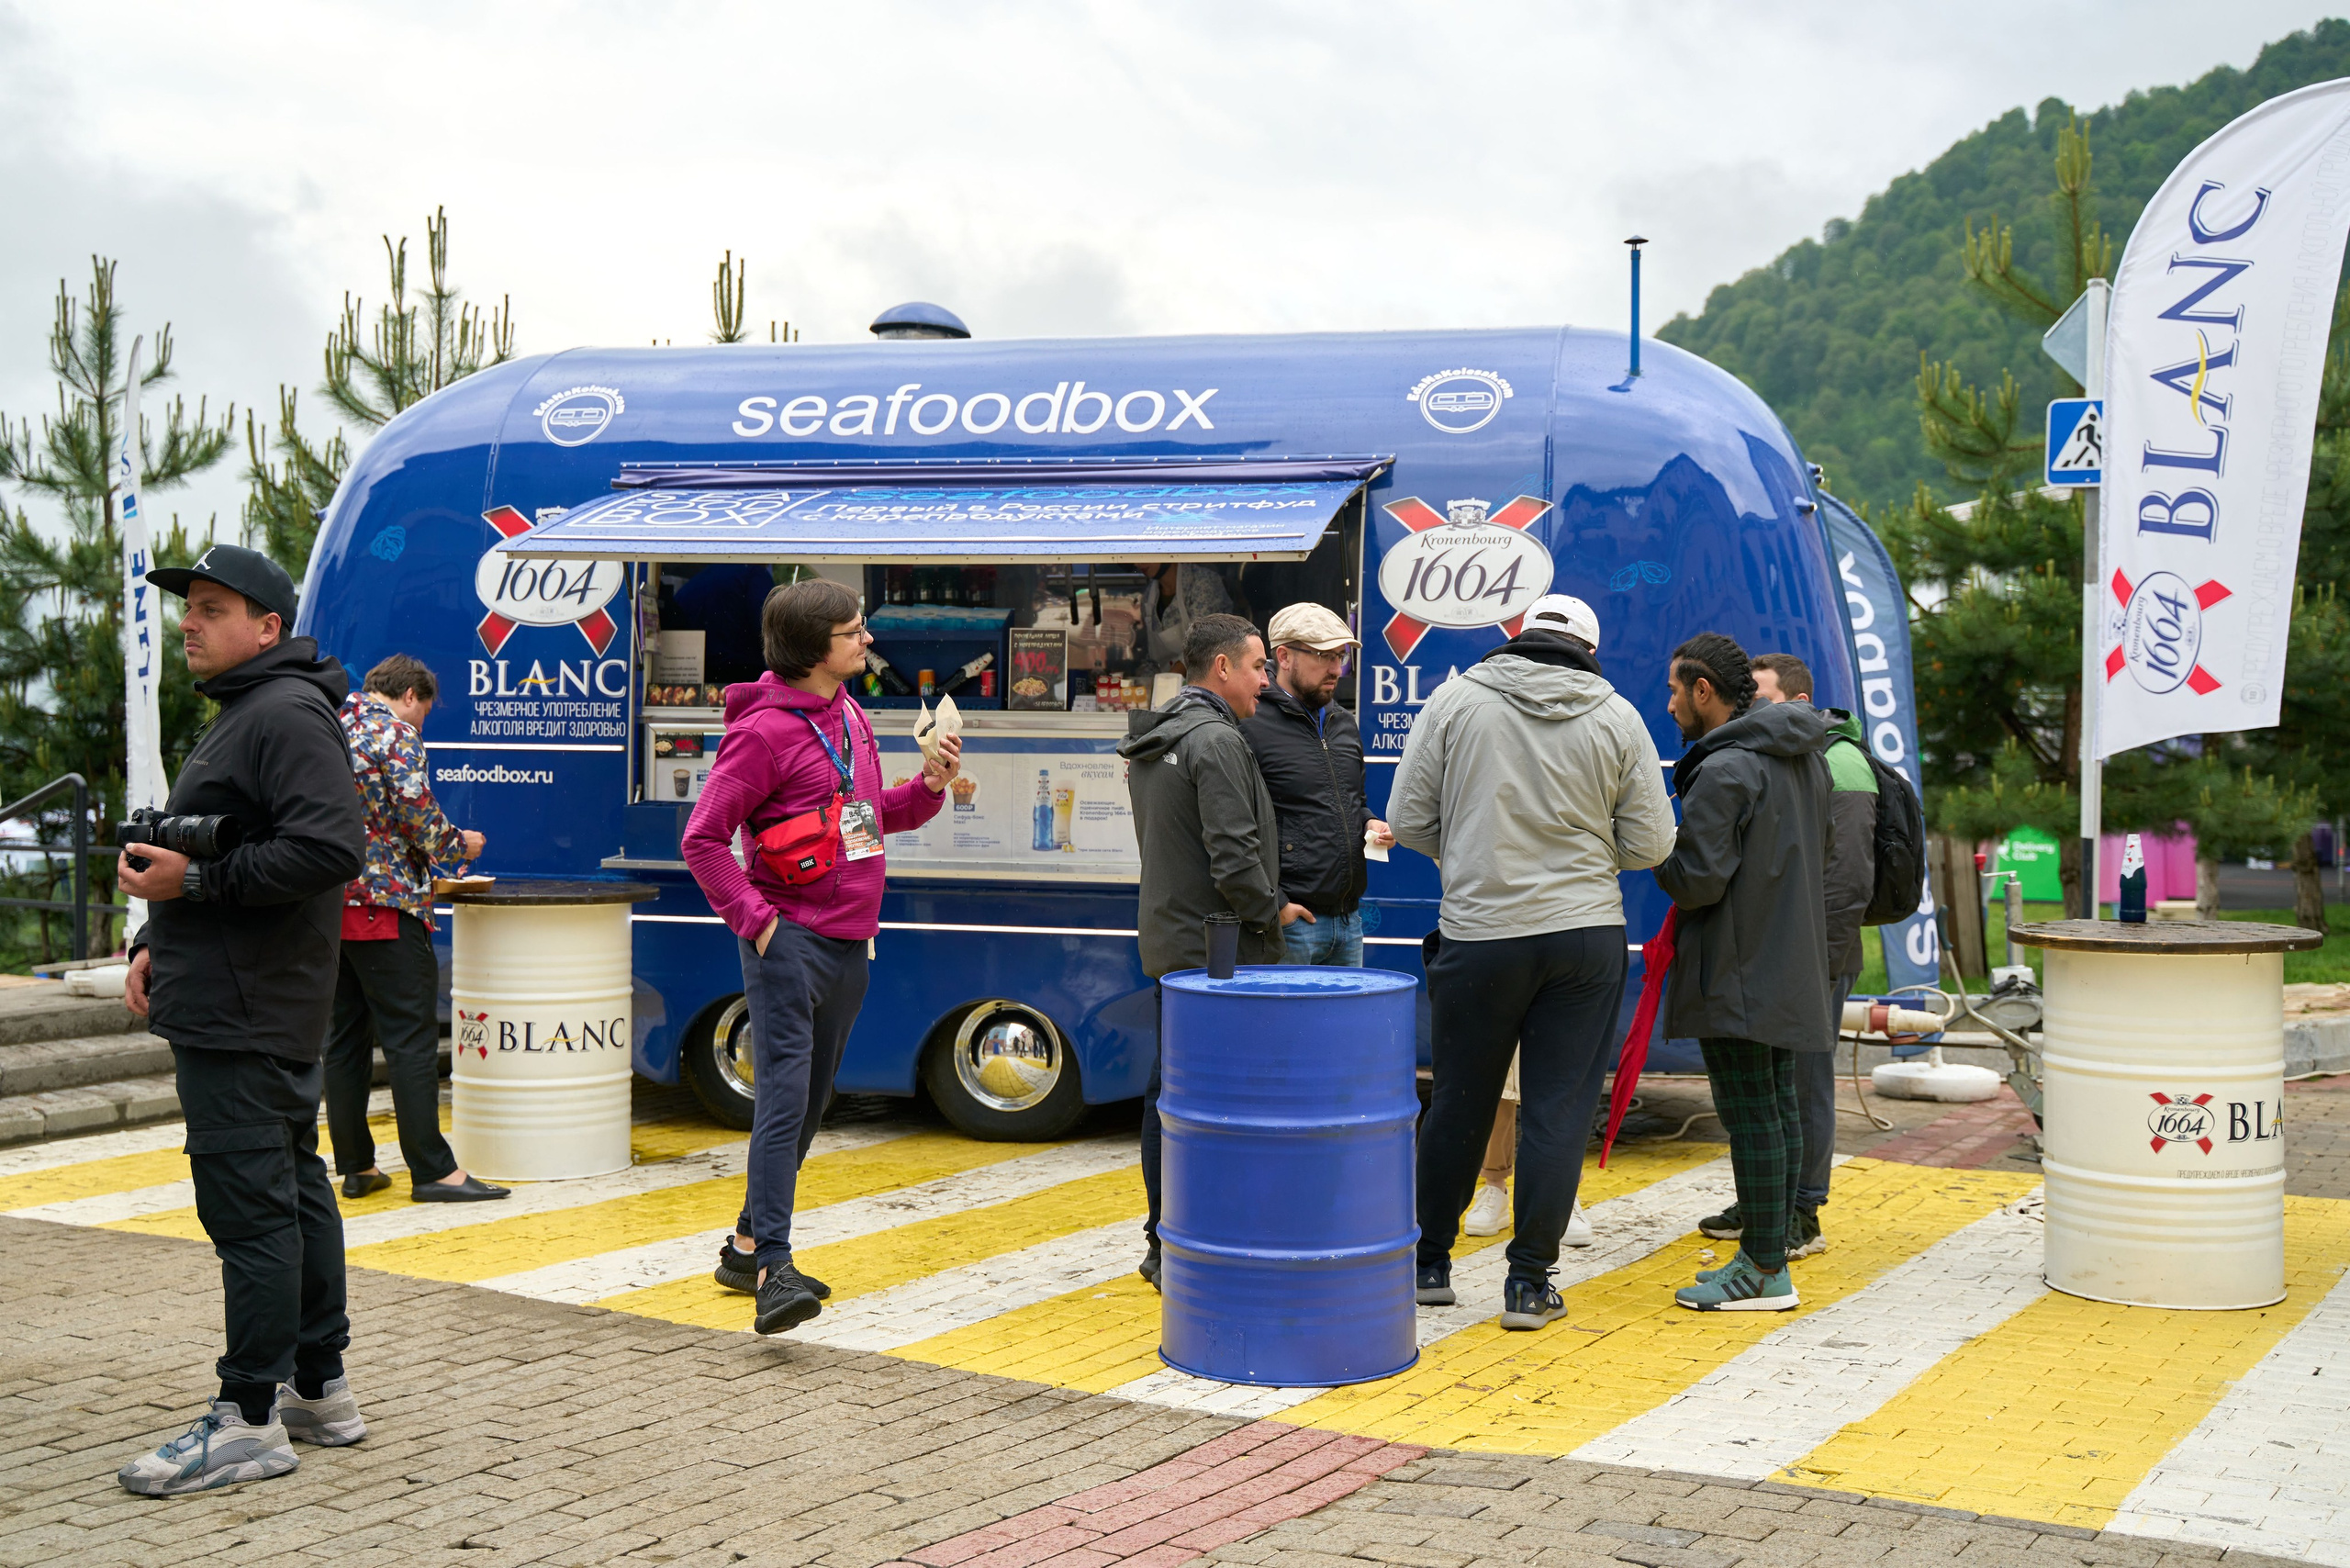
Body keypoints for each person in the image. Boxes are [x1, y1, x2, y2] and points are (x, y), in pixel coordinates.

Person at [114, 545, 369, 1495]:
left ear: (268, 626)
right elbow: (212, 849)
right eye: (189, 608)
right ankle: (317, 1383)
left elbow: (326, 846)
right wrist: (156, 932)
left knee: (249, 1208)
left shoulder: (284, 713)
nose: (190, 620)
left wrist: (202, 883)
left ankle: (248, 1419)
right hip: (243, 995)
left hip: (247, 1010)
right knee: (294, 1191)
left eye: (214, 607)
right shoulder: (255, 710)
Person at [681, 580, 959, 1336]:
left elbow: (867, 822)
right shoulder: (762, 733)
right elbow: (703, 840)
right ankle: (774, 1266)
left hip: (849, 937)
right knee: (782, 1100)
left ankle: (743, 1246)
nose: (867, 642)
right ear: (813, 649)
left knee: (809, 1101)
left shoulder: (849, 716)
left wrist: (930, 786)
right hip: (789, 940)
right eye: (853, 633)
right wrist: (759, 924)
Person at [1390, 594, 1673, 1329]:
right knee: (1558, 1109)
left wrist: (1481, 851)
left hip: (1481, 931)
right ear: (1589, 650)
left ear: (1518, 638)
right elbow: (1651, 845)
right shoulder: (1617, 715)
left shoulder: (1454, 701)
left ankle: (1429, 1264)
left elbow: (1411, 818)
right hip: (1584, 937)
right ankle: (1527, 1283)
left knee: (1459, 1099)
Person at [1118, 612, 1311, 1288]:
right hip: (1224, 954)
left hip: (1176, 945)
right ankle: (1193, 1244)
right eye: (1260, 666)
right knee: (1217, 1104)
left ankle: (1163, 1241)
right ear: (1222, 668)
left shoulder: (1158, 735)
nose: (1268, 679)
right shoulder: (1216, 741)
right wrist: (1272, 911)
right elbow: (1234, 857)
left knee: (1171, 1098)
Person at [1653, 633, 1832, 1312]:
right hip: (1784, 959)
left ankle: (1762, 1271)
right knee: (1778, 1108)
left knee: (1752, 1117)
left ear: (1705, 691)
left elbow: (1697, 881)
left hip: (1737, 967)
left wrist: (1650, 850)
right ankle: (1769, 1250)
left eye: (1675, 690)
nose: (1669, 704)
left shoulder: (1726, 769)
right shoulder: (1803, 756)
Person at [324, 655, 504, 1204]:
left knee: (344, 1042)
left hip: (331, 907)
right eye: (423, 711)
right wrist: (460, 847)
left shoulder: (332, 723)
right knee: (409, 1043)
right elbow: (416, 813)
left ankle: (356, 1167)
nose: (420, 723)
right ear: (408, 694)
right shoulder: (394, 733)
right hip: (387, 906)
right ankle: (433, 1170)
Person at [1722, 652, 1876, 1260]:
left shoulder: (1840, 763)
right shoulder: (1795, 757)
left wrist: (1814, 959)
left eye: (1759, 699)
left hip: (1819, 955)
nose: (1749, 711)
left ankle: (1804, 1211)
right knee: (1771, 1084)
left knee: (1805, 1084)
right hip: (1785, 952)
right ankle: (1766, 1202)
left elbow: (1846, 881)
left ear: (1799, 700)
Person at [1240, 603, 1394, 966]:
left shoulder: (1343, 722)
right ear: (1284, 656)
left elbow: (1353, 801)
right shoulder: (1250, 723)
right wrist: (1275, 905)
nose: (1336, 668)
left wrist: (1370, 823)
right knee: (1286, 1024)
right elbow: (1234, 824)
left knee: (1346, 1025)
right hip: (1291, 925)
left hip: (1349, 921)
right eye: (1324, 656)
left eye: (1340, 656)